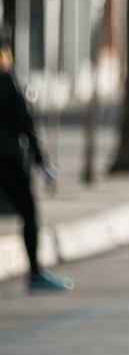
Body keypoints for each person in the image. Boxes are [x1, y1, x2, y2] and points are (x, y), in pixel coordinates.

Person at [0, 31, 73, 292]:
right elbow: (26, 124)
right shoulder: (7, 80)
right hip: (8, 159)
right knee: (28, 213)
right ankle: (34, 273)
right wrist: (42, 161)